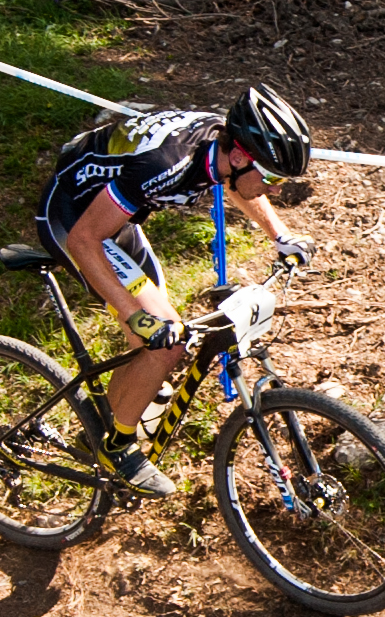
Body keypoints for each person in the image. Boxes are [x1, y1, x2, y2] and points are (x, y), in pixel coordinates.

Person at [27, 83, 315, 494]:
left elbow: (238, 183)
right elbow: (84, 240)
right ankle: (117, 447)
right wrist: (134, 315)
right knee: (163, 342)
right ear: (238, 155)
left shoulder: (222, 153)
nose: (276, 189)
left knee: (149, 351)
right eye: (272, 176)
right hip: (74, 219)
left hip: (113, 218)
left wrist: (281, 235)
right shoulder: (167, 164)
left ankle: (99, 430)